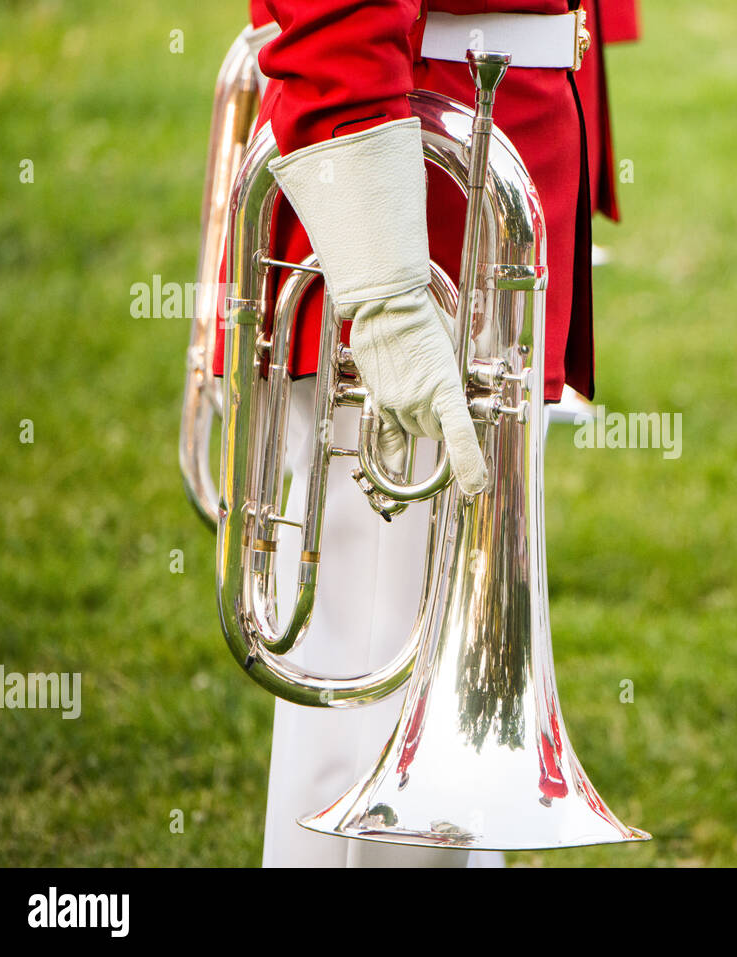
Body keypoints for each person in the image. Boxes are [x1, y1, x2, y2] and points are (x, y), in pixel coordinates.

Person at [215, 0, 617, 867]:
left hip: (492, 165)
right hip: (418, 203)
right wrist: (386, 282)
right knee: (374, 719)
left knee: (458, 718)